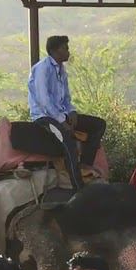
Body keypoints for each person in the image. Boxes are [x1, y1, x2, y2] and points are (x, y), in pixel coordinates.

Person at [28, 35, 106, 190]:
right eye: (65, 48)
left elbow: (66, 98)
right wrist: (61, 120)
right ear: (55, 51)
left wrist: (71, 111)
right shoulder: (42, 68)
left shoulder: (61, 70)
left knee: (98, 125)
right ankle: (78, 186)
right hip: (45, 118)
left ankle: (85, 165)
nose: (68, 51)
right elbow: (44, 100)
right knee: (68, 142)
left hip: (61, 115)